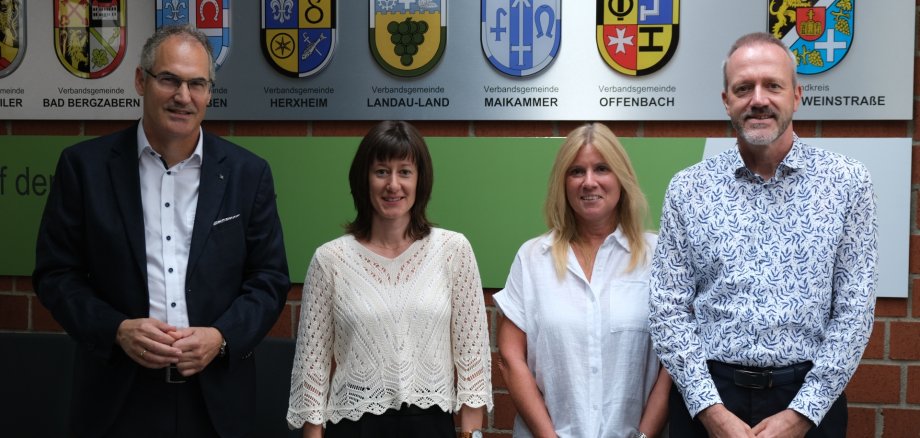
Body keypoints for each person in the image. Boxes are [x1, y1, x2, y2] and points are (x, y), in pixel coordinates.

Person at [33, 25, 290, 438]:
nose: (183, 96)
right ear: (141, 80)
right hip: (118, 399)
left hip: (215, 402)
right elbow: (55, 274)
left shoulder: (247, 173)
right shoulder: (85, 168)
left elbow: (270, 279)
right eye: (169, 79)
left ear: (209, 92)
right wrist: (115, 329)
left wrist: (221, 337)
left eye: (197, 83)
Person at [650, 32, 878, 437]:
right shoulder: (688, 189)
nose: (758, 99)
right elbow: (668, 308)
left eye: (772, 85)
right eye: (743, 88)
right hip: (708, 401)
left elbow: (854, 310)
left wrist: (803, 414)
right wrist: (711, 412)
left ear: (796, 95)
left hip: (809, 403)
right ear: (726, 101)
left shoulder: (847, 183)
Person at [286, 120, 492, 438]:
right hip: (355, 428)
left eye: (404, 172)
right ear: (363, 179)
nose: (393, 185)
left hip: (431, 427)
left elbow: (472, 359)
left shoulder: (453, 251)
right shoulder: (330, 260)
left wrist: (471, 435)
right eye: (381, 171)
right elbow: (312, 368)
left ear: (420, 180)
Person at [494, 123, 671, 438]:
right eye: (576, 172)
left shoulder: (656, 255)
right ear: (563, 183)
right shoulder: (533, 258)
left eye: (602, 168)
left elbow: (672, 363)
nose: (589, 182)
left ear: (621, 177)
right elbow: (510, 358)